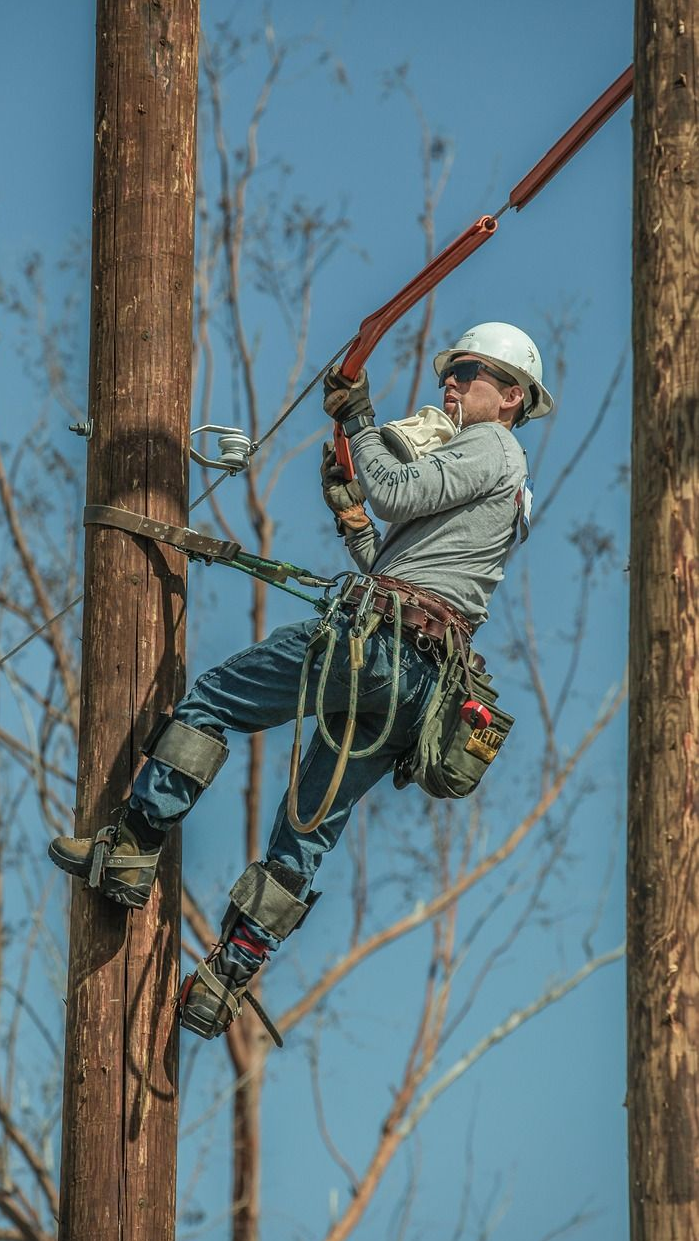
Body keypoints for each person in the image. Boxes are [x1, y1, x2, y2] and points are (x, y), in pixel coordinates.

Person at [48, 321, 553, 1042]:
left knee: (214, 698)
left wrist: (357, 416)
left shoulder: (493, 445)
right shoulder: (503, 482)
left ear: (510, 398)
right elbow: (407, 553)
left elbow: (394, 489)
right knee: (307, 826)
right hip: (418, 682)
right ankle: (225, 977)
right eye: (454, 367)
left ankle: (130, 845)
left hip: (376, 644)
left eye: (469, 371)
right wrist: (351, 520)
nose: (452, 380)